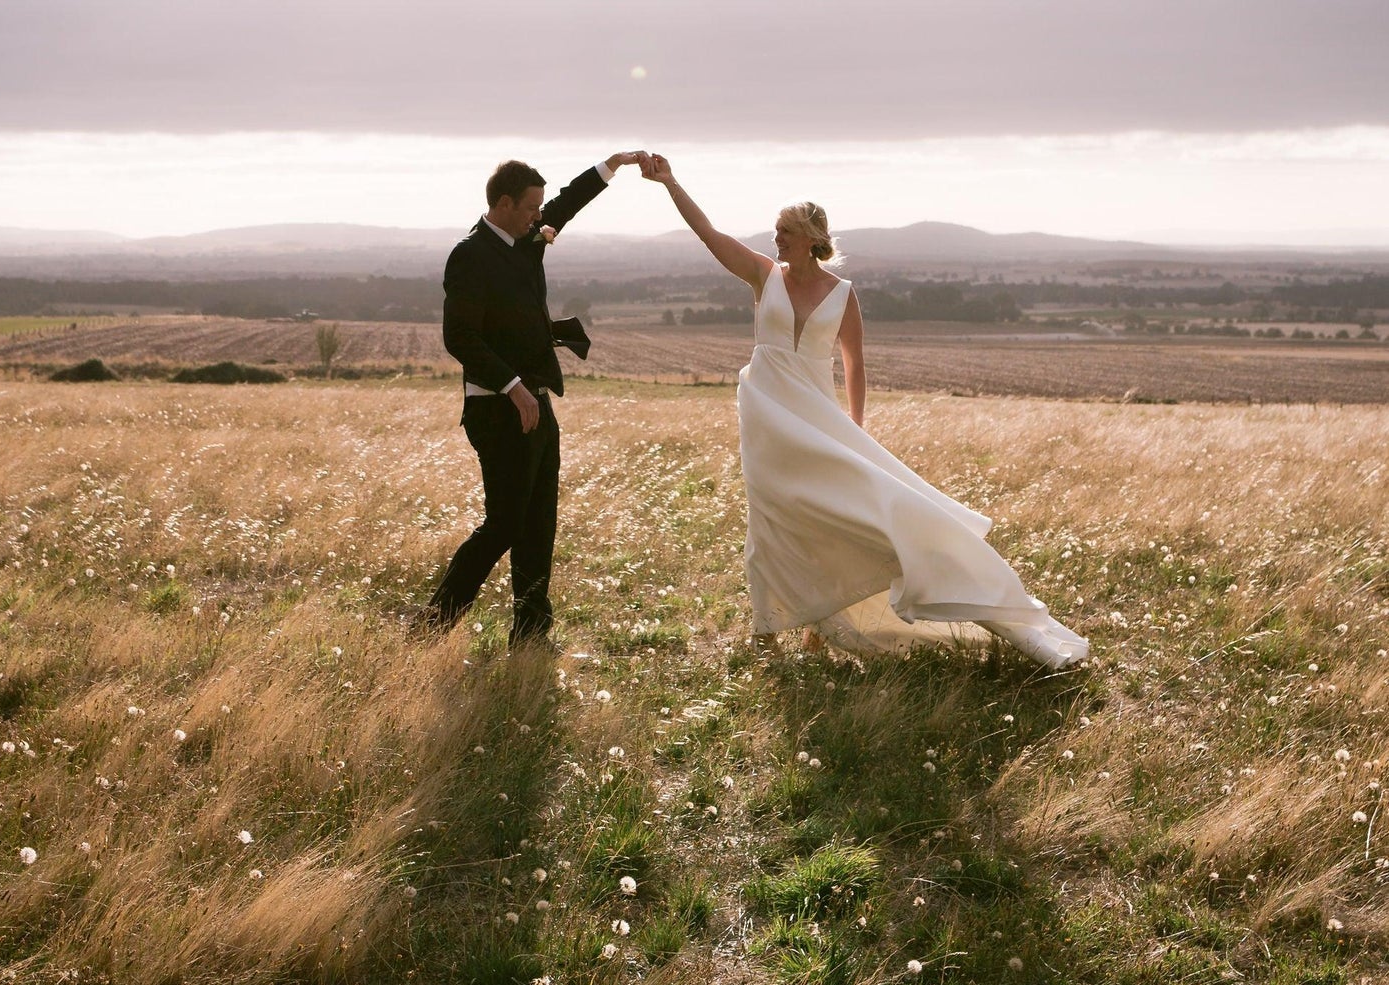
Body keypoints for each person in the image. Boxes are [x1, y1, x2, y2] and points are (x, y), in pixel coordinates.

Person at [639, 155, 1089, 669]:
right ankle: (766, 632)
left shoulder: (842, 295)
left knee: (841, 520)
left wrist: (854, 429)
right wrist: (670, 183)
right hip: (766, 419)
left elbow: (855, 364)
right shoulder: (763, 276)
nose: (776, 239)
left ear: (811, 236)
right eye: (775, 230)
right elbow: (708, 232)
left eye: (785, 231)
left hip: (819, 423)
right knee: (770, 522)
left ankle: (825, 624)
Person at [423, 151, 644, 644]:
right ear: (503, 203)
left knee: (539, 523)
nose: (538, 217)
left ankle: (530, 634)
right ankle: (432, 625)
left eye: (539, 209)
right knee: (503, 524)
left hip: (537, 404)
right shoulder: (470, 255)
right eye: (529, 208)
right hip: (495, 408)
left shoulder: (526, 242)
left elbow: (565, 206)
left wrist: (611, 166)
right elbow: (460, 337)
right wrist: (511, 386)